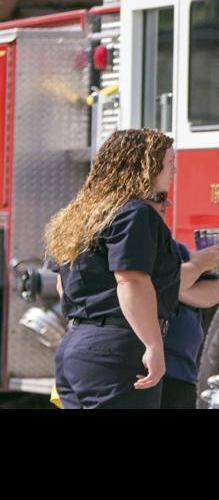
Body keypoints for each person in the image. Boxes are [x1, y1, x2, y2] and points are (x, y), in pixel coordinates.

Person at [45, 129, 181, 409]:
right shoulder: (135, 213)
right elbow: (130, 280)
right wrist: (153, 345)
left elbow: (62, 285)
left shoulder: (81, 214)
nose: (175, 170)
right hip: (117, 351)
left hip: (76, 346)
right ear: (145, 165)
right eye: (169, 162)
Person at [153, 191, 219, 408]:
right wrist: (196, 267)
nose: (166, 203)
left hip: (181, 371)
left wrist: (176, 287)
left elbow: (218, 290)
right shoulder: (134, 250)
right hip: (154, 368)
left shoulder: (175, 249)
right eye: (158, 198)